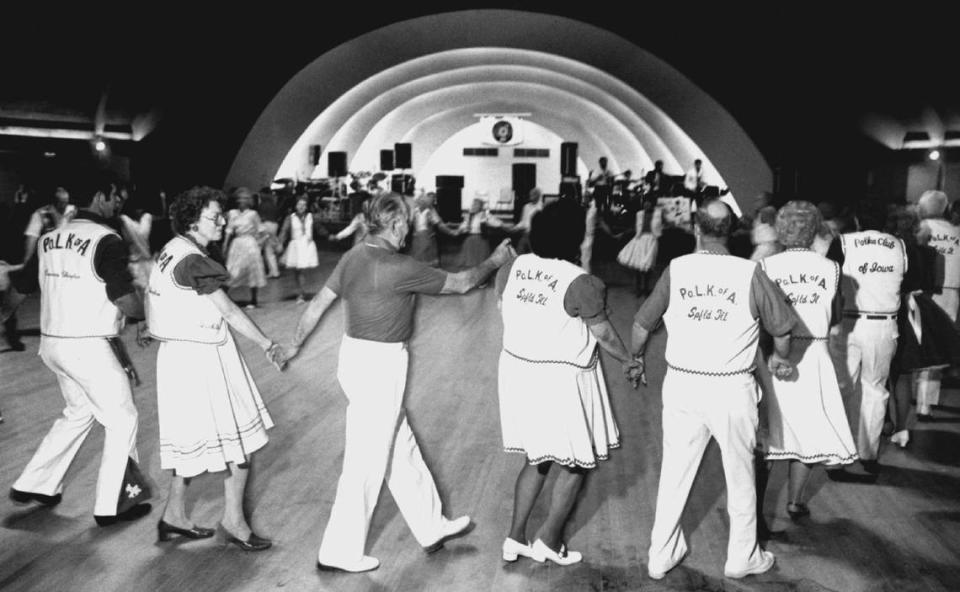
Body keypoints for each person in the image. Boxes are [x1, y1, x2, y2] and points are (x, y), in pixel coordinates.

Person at [283, 192, 514, 573]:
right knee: (366, 460)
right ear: (393, 224)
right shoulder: (399, 266)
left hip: (354, 358)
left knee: (400, 449)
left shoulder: (354, 255)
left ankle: (431, 525)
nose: (408, 227)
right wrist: (495, 260)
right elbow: (461, 284)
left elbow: (318, 304)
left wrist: (294, 344)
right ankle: (338, 550)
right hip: (380, 365)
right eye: (405, 221)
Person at [632, 199, 796, 580]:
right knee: (740, 474)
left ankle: (661, 554)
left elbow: (642, 326)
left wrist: (636, 358)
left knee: (675, 470)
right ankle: (742, 557)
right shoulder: (749, 272)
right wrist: (780, 359)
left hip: (683, 384)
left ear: (697, 229)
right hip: (731, 388)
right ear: (733, 231)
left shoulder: (677, 269)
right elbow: (783, 330)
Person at [496, 199, 640, 566]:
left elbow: (508, 308)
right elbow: (604, 334)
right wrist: (628, 360)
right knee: (576, 464)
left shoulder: (512, 267)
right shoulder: (582, 282)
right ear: (575, 238)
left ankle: (514, 538)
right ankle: (549, 540)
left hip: (519, 373)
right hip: (561, 379)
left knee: (537, 457)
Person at [146, 186, 286, 550]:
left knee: (190, 443)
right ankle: (234, 523)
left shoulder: (170, 249)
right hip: (201, 358)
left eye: (222, 215)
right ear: (194, 221)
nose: (223, 222)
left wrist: (153, 328)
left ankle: (174, 516)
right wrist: (267, 344)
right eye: (215, 216)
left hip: (177, 357)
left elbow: (155, 297)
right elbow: (228, 311)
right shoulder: (194, 261)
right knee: (240, 439)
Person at [9, 175, 152, 526]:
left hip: (53, 345)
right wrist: (146, 313)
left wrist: (2, 315)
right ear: (102, 195)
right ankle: (114, 504)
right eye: (117, 198)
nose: (119, 205)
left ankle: (36, 483)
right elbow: (123, 299)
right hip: (89, 347)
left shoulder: (49, 238)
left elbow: (22, 286)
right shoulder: (107, 240)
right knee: (122, 418)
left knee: (78, 412)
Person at [753, 201, 858, 533]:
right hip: (814, 356)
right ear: (814, 230)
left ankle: (756, 511)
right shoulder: (832, 269)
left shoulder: (766, 266)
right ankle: (795, 501)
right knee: (808, 434)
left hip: (775, 355)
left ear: (781, 230)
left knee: (768, 437)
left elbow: (756, 318)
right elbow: (837, 317)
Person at [827, 205, 906, 472]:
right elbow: (906, 282)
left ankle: (836, 456)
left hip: (848, 322)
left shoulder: (844, 242)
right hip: (884, 324)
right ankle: (868, 454)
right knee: (875, 390)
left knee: (841, 388)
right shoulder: (899, 246)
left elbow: (828, 282)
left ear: (857, 220)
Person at [914, 190, 960, 419]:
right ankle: (925, 404)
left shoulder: (918, 229)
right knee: (937, 348)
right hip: (949, 293)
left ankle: (907, 396)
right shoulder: (957, 232)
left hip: (919, 292)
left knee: (915, 342)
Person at [224, 187, 267, 309]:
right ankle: (225, 297)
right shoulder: (233, 213)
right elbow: (229, 229)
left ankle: (254, 299)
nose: (241, 200)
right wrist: (225, 244)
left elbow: (262, 231)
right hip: (237, 244)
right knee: (233, 270)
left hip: (250, 244)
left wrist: (259, 244)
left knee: (252, 271)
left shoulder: (253, 214)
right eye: (240, 198)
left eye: (244, 198)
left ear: (249, 200)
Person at [617, 196, 663, 296]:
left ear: (652, 204)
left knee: (648, 264)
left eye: (649, 203)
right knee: (637, 265)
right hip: (640, 239)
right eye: (645, 203)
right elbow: (636, 227)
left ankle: (646, 287)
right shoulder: (639, 214)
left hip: (651, 240)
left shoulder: (658, 214)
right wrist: (623, 233)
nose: (647, 205)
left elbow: (662, 226)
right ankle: (638, 288)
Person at [279, 195, 320, 303]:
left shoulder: (311, 216)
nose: (302, 207)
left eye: (304, 205)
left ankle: (301, 292)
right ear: (295, 206)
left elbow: (319, 228)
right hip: (296, 247)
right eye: (299, 204)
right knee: (298, 271)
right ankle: (301, 293)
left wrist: (330, 235)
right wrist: (280, 243)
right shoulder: (290, 217)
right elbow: (284, 231)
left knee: (301, 271)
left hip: (307, 246)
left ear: (307, 207)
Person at [457, 197, 511, 270]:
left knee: (480, 262)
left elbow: (496, 222)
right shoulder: (469, 215)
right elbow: (464, 225)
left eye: (476, 204)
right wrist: (458, 230)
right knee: (469, 262)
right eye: (473, 204)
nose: (473, 206)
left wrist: (506, 226)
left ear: (480, 206)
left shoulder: (485, 215)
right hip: (470, 240)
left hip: (480, 240)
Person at [410, 192, 459, 267]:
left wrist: (452, 232)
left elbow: (440, 225)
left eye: (423, 201)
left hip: (427, 238)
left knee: (426, 260)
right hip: (416, 239)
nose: (421, 202)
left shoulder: (431, 211)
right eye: (419, 200)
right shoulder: (414, 211)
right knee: (417, 258)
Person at [258, 189, 282, 279]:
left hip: (265, 226)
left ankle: (262, 272)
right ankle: (274, 272)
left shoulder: (262, 205)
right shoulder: (273, 205)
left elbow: (260, 218)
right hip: (274, 226)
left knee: (260, 249)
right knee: (270, 251)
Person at [513, 187, 544, 255]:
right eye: (530, 194)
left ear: (537, 196)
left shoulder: (541, 208)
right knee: (518, 253)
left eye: (532, 195)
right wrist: (516, 227)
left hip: (536, 236)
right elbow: (523, 222)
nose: (530, 196)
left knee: (535, 255)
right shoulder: (526, 207)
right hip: (525, 234)